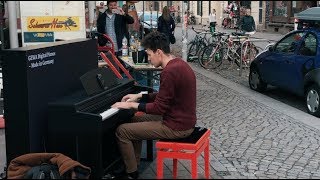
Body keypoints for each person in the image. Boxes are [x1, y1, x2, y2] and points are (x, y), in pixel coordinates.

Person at [110, 31, 197, 179]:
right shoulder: (178, 63)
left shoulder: (169, 72)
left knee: (122, 131)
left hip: (176, 126)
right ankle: (134, 164)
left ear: (159, 52)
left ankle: (130, 173)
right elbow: (165, 96)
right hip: (182, 120)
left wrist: (131, 106)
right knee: (133, 121)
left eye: (149, 55)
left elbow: (159, 108)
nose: (148, 59)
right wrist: (140, 96)